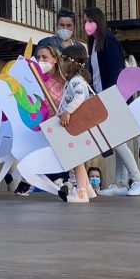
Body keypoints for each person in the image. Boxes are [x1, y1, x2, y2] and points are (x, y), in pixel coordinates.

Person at [87, 7, 140, 197]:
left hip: (113, 97)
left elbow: (115, 72)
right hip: (103, 96)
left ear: (98, 21)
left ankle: (138, 180)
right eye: (85, 21)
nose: (86, 24)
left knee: (115, 139)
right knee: (119, 139)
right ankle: (120, 182)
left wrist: (110, 98)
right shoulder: (94, 44)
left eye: (90, 20)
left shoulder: (109, 41)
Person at [57, 43, 98, 203]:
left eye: (63, 60)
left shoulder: (75, 81)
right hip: (80, 125)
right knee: (78, 159)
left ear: (70, 62)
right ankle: (88, 189)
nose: (61, 64)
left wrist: (68, 111)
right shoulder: (77, 80)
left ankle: (81, 192)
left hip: (76, 125)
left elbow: (80, 96)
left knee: (77, 160)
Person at [36, 43, 71, 192]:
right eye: (38, 57)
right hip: (43, 126)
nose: (41, 60)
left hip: (64, 125)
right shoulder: (36, 80)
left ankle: (67, 182)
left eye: (44, 57)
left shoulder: (66, 79)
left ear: (55, 59)